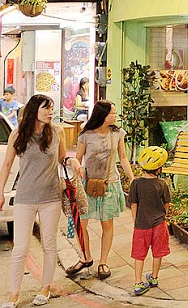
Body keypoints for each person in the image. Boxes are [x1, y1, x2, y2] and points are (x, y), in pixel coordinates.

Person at [0, 94, 81, 307]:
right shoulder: (18, 134)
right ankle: (13, 295)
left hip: (51, 198)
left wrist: (72, 161)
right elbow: (7, 164)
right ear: (34, 110)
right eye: (46, 108)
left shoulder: (57, 131)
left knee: (49, 245)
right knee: (20, 248)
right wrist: (0, 192)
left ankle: (45, 288)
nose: (50, 112)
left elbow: (62, 158)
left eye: (52, 108)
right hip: (25, 197)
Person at [66, 100, 134, 280]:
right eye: (112, 113)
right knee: (81, 223)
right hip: (87, 184)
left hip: (109, 183)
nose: (115, 116)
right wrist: (76, 174)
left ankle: (103, 262)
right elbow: (78, 159)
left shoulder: (117, 133)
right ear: (102, 115)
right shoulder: (86, 135)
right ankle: (86, 257)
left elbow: (123, 158)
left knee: (107, 224)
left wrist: (132, 179)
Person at [128, 146, 171, 296]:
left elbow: (133, 204)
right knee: (158, 252)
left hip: (141, 225)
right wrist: (163, 216)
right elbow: (166, 203)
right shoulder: (162, 184)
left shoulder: (136, 183)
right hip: (159, 224)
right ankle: (154, 278)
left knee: (139, 254)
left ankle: (138, 283)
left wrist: (136, 220)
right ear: (159, 168)